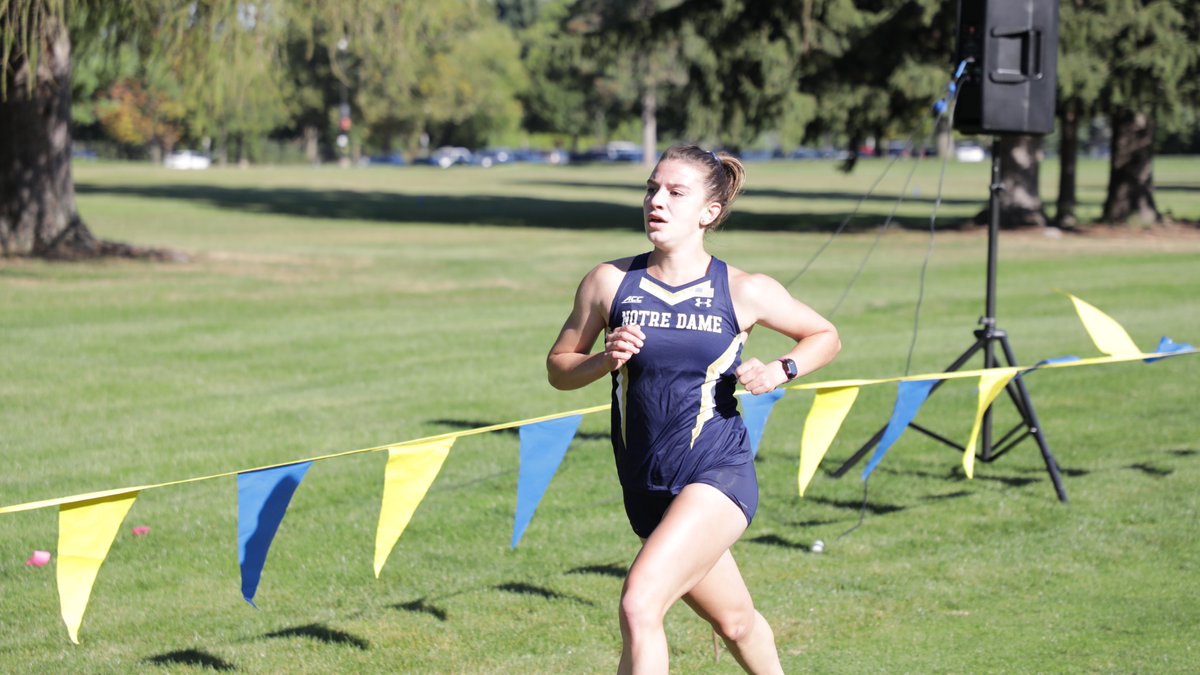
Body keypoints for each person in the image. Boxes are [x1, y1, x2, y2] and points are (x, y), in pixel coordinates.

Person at [546, 144, 840, 674]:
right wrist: (602, 361)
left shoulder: (743, 289)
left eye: (675, 193)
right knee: (735, 623)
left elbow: (824, 335)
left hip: (717, 474)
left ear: (710, 212)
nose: (656, 201)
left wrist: (781, 370)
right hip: (646, 487)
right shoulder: (609, 283)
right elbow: (559, 367)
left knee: (639, 603)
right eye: (652, 189)